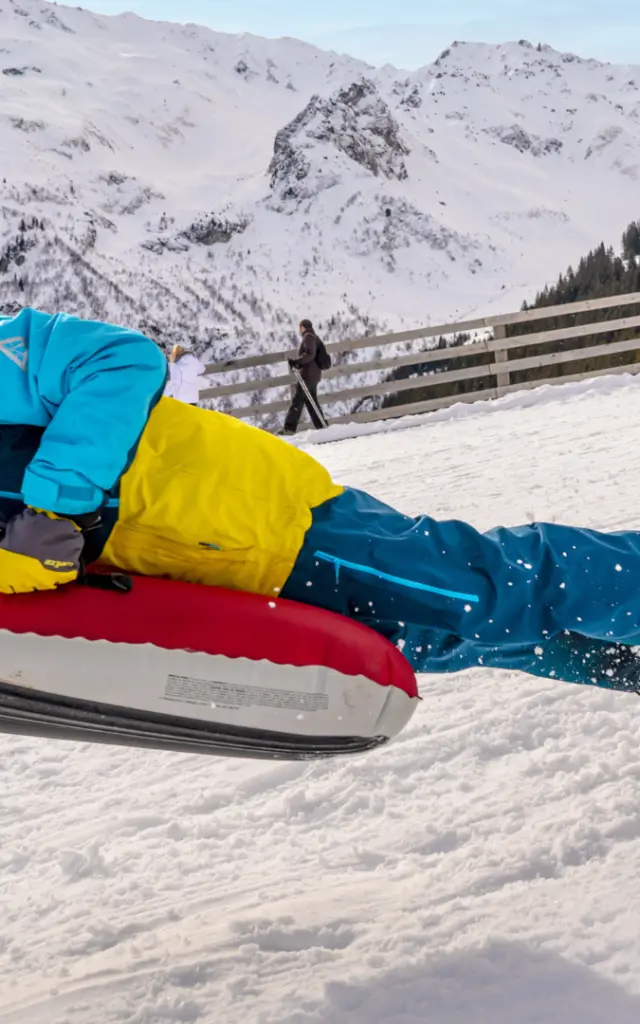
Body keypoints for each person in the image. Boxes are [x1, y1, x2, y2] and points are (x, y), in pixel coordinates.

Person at [2, 307, 640, 697]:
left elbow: (122, 360)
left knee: (488, 589)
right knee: (435, 639)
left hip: (262, 517)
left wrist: (56, 508)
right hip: (214, 583)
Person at [281, 319, 327, 435]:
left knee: (298, 401)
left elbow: (309, 354)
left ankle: (289, 429)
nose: (299, 330)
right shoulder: (314, 337)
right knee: (311, 402)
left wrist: (296, 362)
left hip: (308, 375)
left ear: (303, 327)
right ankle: (322, 426)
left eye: (300, 327)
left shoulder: (308, 337)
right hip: (314, 375)